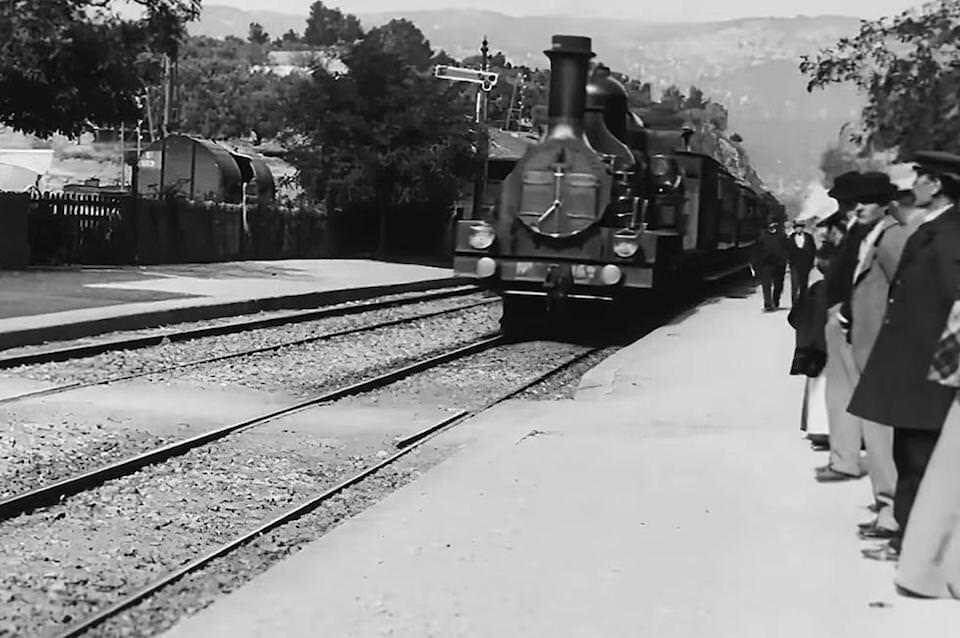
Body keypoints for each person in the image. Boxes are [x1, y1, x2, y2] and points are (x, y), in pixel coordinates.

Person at [848, 151, 960, 562]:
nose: (913, 185)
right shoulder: (934, 228)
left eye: (921, 178)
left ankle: (911, 545)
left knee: (918, 457)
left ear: (937, 185)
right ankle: (908, 539)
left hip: (927, 364)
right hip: (914, 362)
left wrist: (948, 367)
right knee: (910, 452)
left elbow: (957, 301)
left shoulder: (947, 234)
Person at [843, 172, 911, 538]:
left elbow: (908, 290)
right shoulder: (876, 235)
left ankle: (890, 512)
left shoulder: (893, 237)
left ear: (885, 204)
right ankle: (888, 506)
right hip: (871, 348)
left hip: (884, 351)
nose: (857, 208)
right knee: (879, 431)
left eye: (865, 202)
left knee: (882, 433)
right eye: (855, 202)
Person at [815, 171, 869, 482]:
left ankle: (847, 459)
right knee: (840, 392)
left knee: (845, 390)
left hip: (850, 316)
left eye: (845, 203)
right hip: (840, 313)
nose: (844, 208)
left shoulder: (863, 231)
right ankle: (843, 456)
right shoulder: (851, 229)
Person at [790, 246, 831, 449]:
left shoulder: (815, 289)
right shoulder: (844, 289)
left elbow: (794, 317)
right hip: (833, 347)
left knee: (816, 389)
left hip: (814, 348)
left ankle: (817, 431)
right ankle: (830, 431)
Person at [751, 220, 789, 311]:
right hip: (766, 264)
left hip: (779, 264)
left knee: (778, 285)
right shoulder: (762, 237)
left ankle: (775, 301)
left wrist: (785, 257)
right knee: (766, 285)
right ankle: (768, 304)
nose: (773, 228)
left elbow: (787, 248)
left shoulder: (782, 236)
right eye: (771, 226)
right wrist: (756, 263)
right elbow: (757, 251)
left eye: (775, 226)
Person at [787, 219, 816, 306]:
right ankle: (795, 304)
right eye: (796, 227)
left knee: (804, 284)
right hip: (795, 264)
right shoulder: (790, 238)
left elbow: (813, 249)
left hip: (805, 264)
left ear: (803, 228)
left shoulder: (809, 237)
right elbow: (787, 250)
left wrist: (811, 261)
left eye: (800, 227)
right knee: (795, 285)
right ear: (794, 229)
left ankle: (803, 303)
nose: (798, 229)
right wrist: (789, 260)